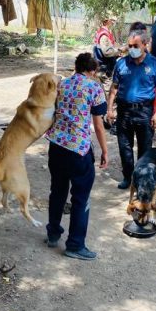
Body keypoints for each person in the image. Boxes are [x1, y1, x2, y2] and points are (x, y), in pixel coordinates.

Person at [45, 53, 109, 260]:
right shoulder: (94, 88)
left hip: (56, 146)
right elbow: (98, 125)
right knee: (81, 198)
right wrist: (104, 151)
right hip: (78, 150)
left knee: (57, 191)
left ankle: (53, 234)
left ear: (76, 66)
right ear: (93, 71)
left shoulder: (61, 85)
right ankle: (75, 245)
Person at [107, 30, 156, 190]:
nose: (131, 48)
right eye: (130, 45)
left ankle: (140, 180)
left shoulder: (154, 64)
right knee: (124, 147)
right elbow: (114, 88)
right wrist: (110, 109)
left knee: (144, 149)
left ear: (145, 45)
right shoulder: (121, 64)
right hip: (124, 112)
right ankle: (127, 177)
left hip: (144, 112)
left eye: (135, 46)